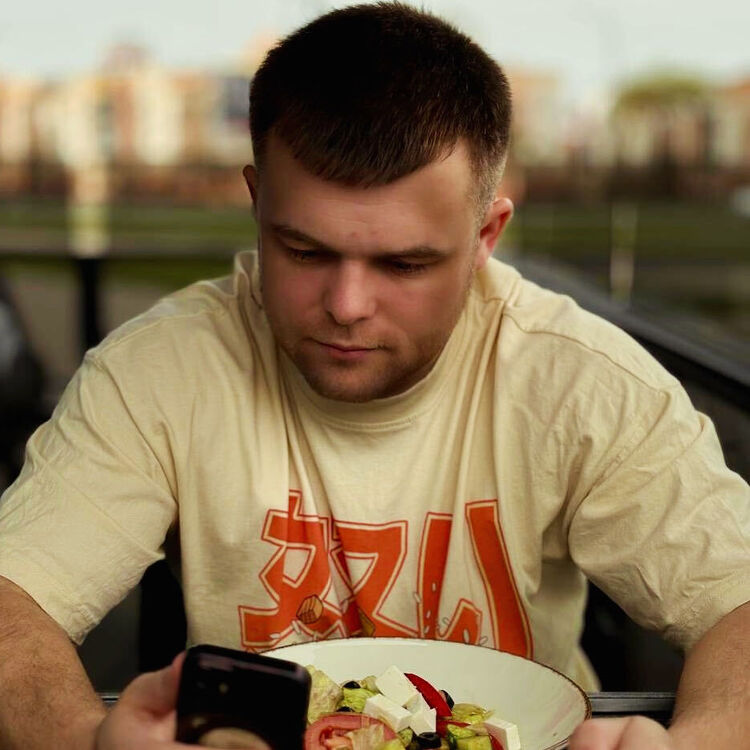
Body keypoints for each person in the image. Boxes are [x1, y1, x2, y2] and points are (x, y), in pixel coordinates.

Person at [0, 3, 748, 749]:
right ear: (258, 204)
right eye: (304, 251)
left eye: (405, 264)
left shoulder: (584, 383)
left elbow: (737, 604)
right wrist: (85, 740)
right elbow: (12, 600)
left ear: (486, 236)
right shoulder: (158, 371)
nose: (347, 306)